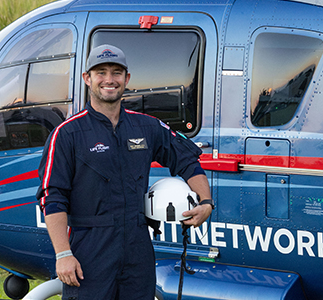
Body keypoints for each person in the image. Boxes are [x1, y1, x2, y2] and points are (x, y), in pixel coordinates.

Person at [36, 44, 213, 300]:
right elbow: (52, 197)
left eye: (117, 72)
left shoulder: (147, 126)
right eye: (101, 72)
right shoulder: (67, 134)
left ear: (127, 79)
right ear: (87, 78)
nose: (109, 80)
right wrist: (63, 254)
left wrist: (206, 202)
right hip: (90, 250)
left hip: (137, 249)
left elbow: (187, 159)